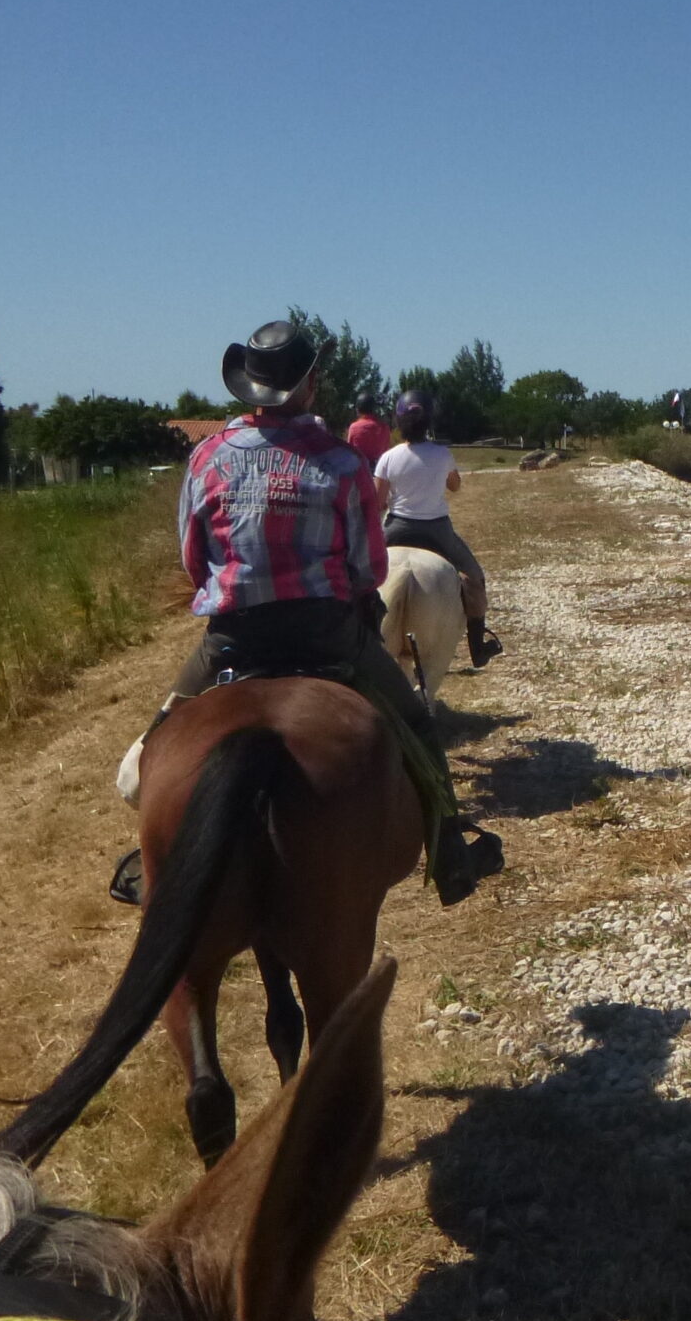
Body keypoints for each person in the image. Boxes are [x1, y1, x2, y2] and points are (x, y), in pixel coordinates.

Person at [111, 320, 487, 903]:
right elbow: (369, 567)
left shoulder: (207, 456)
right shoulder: (340, 462)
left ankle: (153, 857)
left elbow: (193, 558)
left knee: (144, 764)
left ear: (249, 386)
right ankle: (450, 852)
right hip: (327, 635)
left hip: (233, 638)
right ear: (310, 385)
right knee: (416, 723)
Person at [378, 389, 502, 669]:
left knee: (355, 574)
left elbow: (377, 500)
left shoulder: (389, 457)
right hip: (437, 530)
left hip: (397, 527)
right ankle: (478, 648)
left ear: (399, 422)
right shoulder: (442, 454)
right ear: (429, 422)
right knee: (475, 578)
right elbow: (455, 486)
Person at [344, 389, 392, 468]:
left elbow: (350, 451)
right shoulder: (384, 428)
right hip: (379, 470)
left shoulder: (354, 427)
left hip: (360, 470)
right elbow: (386, 451)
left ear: (358, 410)